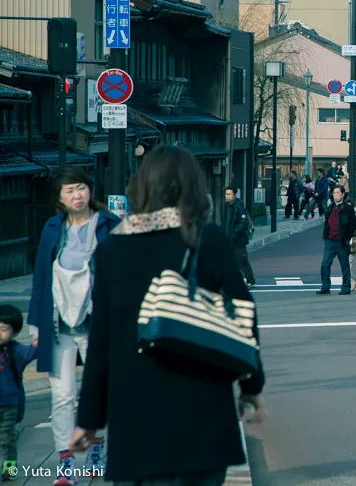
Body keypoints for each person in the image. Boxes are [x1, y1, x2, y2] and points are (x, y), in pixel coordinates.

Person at [71, 144, 266, 485]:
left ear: (142, 187)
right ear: (193, 188)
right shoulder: (207, 239)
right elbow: (243, 313)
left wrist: (88, 418)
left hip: (135, 415)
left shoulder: (112, 249)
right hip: (203, 411)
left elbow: (100, 339)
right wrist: (250, 386)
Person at [27, 167, 119, 483]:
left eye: (81, 188)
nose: (76, 195)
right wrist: (34, 325)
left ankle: (96, 448)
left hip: (98, 321)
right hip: (56, 322)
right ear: (60, 197)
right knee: (62, 394)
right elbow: (41, 278)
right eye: (69, 191)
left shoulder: (109, 225)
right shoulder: (53, 228)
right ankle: (66, 461)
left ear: (90, 190)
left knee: (100, 389)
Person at [0, 304, 37, 481]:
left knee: (7, 437)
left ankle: (10, 467)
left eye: (4, 329)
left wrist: (38, 343)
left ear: (14, 332)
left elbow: (31, 352)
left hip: (9, 404)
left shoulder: (16, 350)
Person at [318, 185, 356, 296]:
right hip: (330, 240)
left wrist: (346, 238)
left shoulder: (347, 208)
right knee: (325, 264)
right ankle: (325, 286)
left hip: (341, 241)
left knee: (344, 265)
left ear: (343, 194)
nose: (335, 195)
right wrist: (326, 235)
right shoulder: (331, 207)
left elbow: (352, 225)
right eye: (334, 193)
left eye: (338, 193)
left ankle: (345, 287)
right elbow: (327, 222)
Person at [223, 185, 255, 288]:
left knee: (242, 260)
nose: (227, 196)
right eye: (226, 194)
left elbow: (244, 222)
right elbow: (225, 222)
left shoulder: (239, 206)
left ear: (234, 195)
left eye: (229, 194)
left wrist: (234, 233)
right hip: (230, 238)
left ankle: (250, 280)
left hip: (238, 239)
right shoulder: (227, 206)